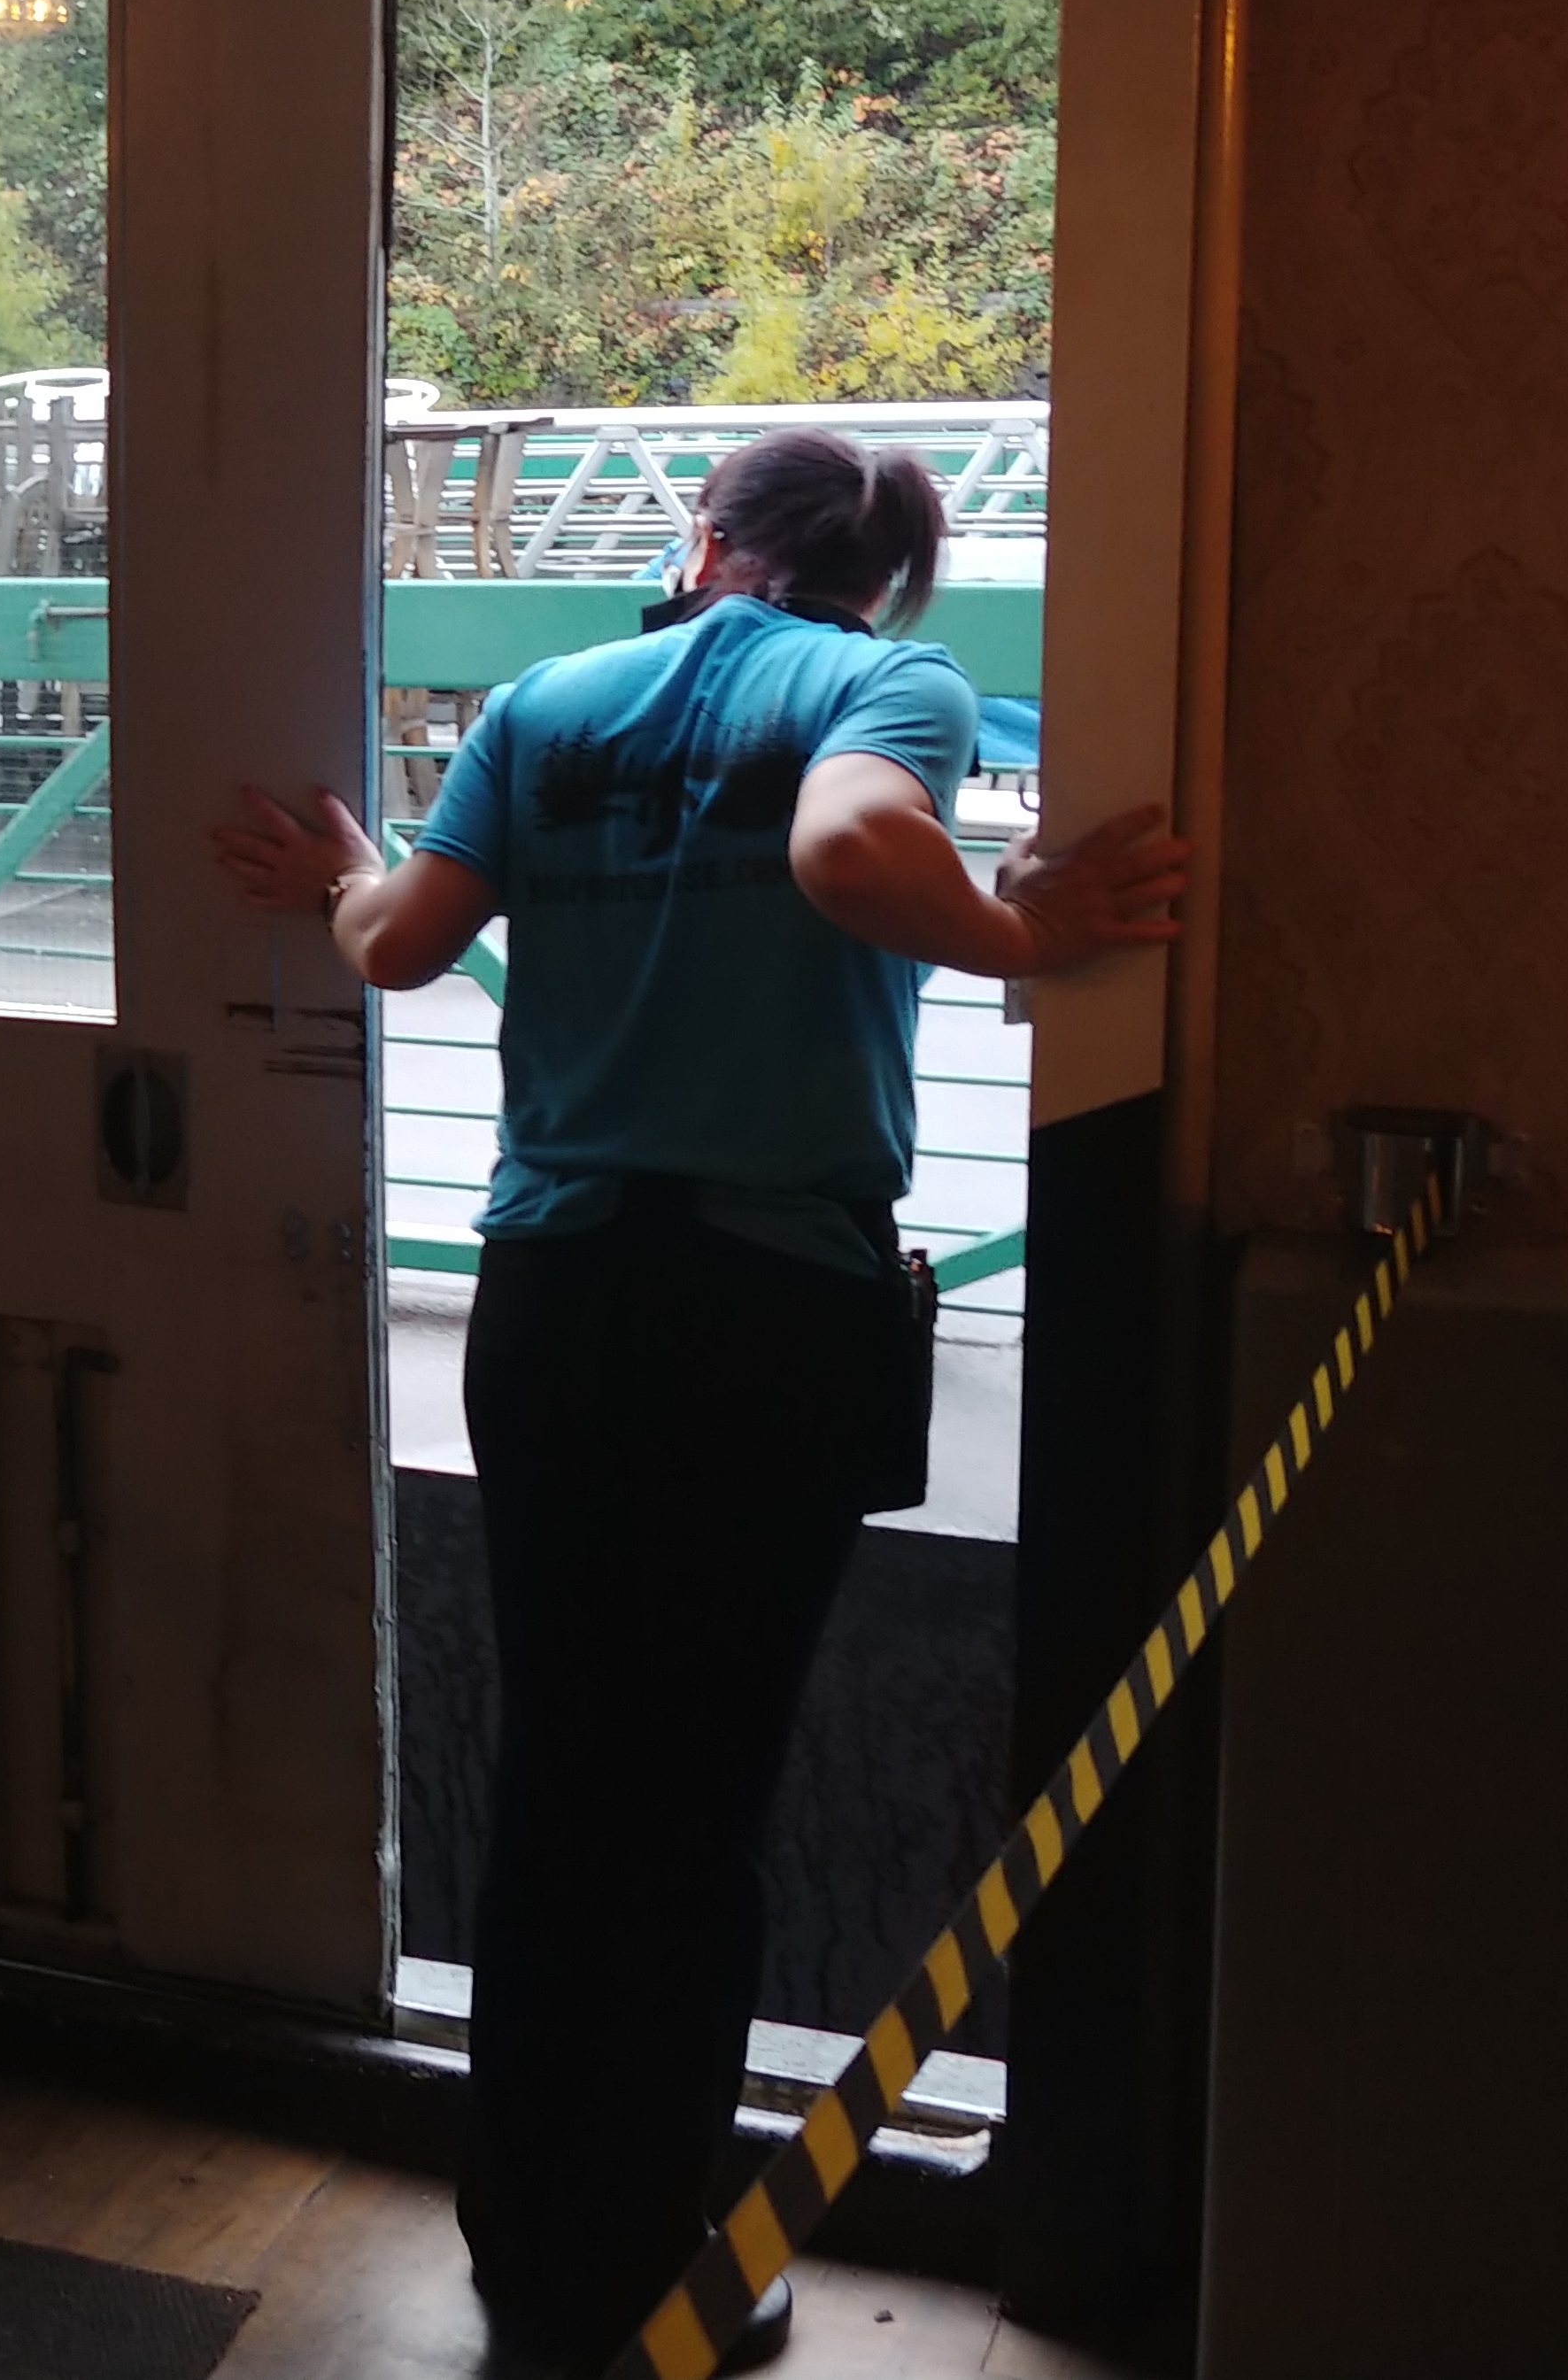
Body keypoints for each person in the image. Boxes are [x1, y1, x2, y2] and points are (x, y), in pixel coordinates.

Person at [213, 429, 1185, 2377]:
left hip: (554, 1297)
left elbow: (399, 945)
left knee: (563, 1776)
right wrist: (1029, 932)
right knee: (697, 1805)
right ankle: (659, 2269)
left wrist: (343, 870)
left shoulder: (549, 700)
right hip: (768, 1309)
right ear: (882, 574)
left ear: (704, 539)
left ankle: (528, 2244)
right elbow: (849, 851)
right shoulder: (887, 681)